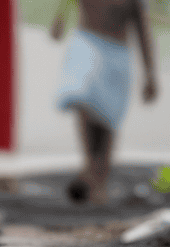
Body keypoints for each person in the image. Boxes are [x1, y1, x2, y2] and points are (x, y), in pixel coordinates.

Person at [51, 0, 158, 205]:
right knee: (81, 97)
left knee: (107, 119)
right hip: (87, 42)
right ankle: (91, 166)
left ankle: (99, 178)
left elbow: (142, 32)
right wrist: (60, 19)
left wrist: (150, 75)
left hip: (116, 52)